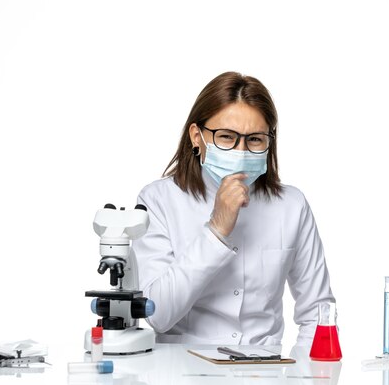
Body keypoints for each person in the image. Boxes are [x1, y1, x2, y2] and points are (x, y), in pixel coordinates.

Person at [132, 71, 335, 346]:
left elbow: (318, 313)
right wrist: (216, 230)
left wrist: (303, 376)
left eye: (254, 140)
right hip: (181, 371)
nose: (241, 151)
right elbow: (157, 314)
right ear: (196, 137)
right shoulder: (159, 200)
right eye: (226, 137)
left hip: (264, 372)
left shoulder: (292, 205)